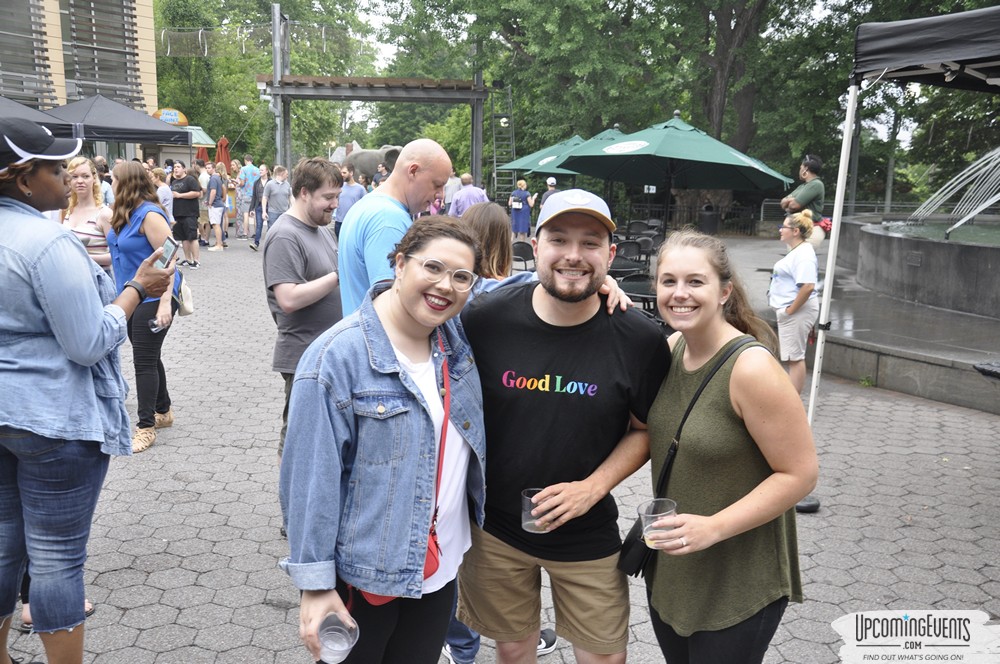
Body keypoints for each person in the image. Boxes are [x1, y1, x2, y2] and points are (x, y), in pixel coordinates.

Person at [458, 189, 671, 664]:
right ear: (534, 247)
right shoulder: (485, 319)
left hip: (587, 532)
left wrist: (591, 488)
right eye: (559, 239)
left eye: (590, 243)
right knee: (513, 652)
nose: (573, 255)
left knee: (604, 657)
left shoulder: (638, 338)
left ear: (610, 255)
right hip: (496, 530)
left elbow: (645, 429)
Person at [0, 117, 173, 664]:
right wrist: (135, 290)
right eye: (56, 168)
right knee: (55, 561)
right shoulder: (47, 241)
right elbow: (88, 341)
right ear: (24, 179)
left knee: (3, 550)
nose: (73, 176)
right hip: (54, 419)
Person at [279, 217, 486, 664]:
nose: (445, 285)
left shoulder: (452, 339)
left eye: (460, 277)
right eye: (432, 267)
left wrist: (599, 283)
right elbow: (310, 482)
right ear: (399, 264)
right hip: (366, 577)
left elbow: (534, 292)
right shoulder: (337, 358)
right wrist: (315, 586)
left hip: (440, 570)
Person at [644, 229, 818, 664]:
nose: (679, 293)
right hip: (675, 567)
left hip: (738, 575)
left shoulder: (751, 367)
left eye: (695, 282)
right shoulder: (671, 347)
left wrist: (714, 527)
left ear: (724, 292)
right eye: (668, 281)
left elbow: (800, 474)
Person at [261, 158, 343, 461]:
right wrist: (340, 274)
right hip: (304, 357)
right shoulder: (285, 235)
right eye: (328, 197)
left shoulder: (322, 229)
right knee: (299, 443)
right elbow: (288, 298)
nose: (334, 205)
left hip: (326, 354)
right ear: (304, 192)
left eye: (337, 197)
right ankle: (295, 506)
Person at [100, 161, 184, 453]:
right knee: (149, 355)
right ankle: (164, 410)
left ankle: (146, 427)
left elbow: (171, 253)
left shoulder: (149, 214)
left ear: (128, 183)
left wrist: (164, 302)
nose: (111, 184)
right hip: (133, 294)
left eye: (115, 180)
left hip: (154, 297)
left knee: (143, 360)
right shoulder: (125, 214)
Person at [338, 138, 453, 314]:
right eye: (437, 185)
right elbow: (392, 306)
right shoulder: (388, 220)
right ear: (413, 171)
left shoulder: (368, 206)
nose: (440, 195)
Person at [768, 210, 819, 394]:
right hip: (792, 309)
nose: (780, 230)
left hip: (796, 311)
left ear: (795, 231)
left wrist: (790, 310)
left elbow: (808, 286)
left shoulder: (803, 254)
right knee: (793, 356)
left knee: (795, 358)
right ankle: (791, 397)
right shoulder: (798, 251)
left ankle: (792, 401)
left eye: (784, 227)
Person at [62, 156, 112, 274]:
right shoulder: (67, 210)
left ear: (94, 178)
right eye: (74, 176)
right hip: (70, 278)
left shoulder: (104, 214)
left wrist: (84, 258)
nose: (80, 181)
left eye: (85, 176)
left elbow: (117, 255)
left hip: (98, 280)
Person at [169, 160, 202, 269]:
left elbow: (197, 193)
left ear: (184, 169)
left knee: (192, 237)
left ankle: (196, 260)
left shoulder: (190, 179)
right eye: (174, 167)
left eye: (178, 167)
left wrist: (180, 195)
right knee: (183, 238)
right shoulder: (173, 182)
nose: (176, 169)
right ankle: (188, 259)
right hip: (178, 213)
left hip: (189, 212)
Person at [256, 164, 291, 250]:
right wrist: (264, 212)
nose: (288, 175)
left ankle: (281, 248)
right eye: (286, 174)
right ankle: (270, 248)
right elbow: (264, 198)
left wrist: (293, 209)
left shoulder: (287, 184)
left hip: (284, 212)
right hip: (273, 212)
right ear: (281, 174)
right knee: (272, 231)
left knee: (284, 231)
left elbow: (290, 197)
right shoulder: (270, 184)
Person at [780, 155, 824, 221]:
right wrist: (794, 200)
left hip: (809, 227)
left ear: (806, 168)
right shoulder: (802, 186)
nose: (799, 170)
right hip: (796, 225)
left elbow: (793, 206)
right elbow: (782, 203)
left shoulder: (816, 184)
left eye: (801, 167)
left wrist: (790, 201)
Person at [333, 163, 367, 237]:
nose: (342, 174)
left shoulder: (360, 189)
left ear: (351, 173)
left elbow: (365, 206)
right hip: (339, 222)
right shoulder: (339, 187)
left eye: (344, 172)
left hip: (353, 223)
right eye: (341, 172)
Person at [236, 154, 261, 239]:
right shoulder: (257, 170)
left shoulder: (243, 169)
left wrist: (238, 183)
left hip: (246, 193)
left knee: (246, 214)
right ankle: (256, 233)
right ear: (252, 160)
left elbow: (242, 183)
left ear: (245, 160)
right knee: (254, 214)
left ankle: (245, 233)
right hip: (256, 195)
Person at [206, 161, 228, 252]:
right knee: (217, 224)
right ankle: (219, 243)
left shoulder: (213, 179)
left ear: (214, 168)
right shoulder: (217, 178)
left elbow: (213, 191)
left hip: (215, 204)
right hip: (218, 203)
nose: (207, 170)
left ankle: (219, 245)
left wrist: (210, 202)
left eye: (209, 168)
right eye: (206, 168)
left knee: (216, 225)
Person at [249, 163, 270, 244]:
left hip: (269, 206)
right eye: (259, 170)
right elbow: (254, 196)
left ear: (266, 171)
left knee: (271, 225)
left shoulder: (271, 182)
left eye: (262, 170)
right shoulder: (256, 182)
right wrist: (251, 209)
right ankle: (256, 243)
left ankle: (270, 243)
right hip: (259, 206)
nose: (260, 171)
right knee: (259, 225)